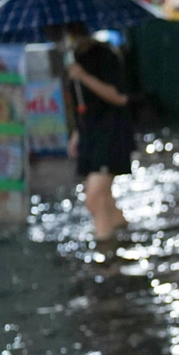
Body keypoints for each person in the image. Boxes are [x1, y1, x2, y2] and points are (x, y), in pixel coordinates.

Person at [61, 24, 133, 239]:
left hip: (110, 131)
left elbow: (119, 97)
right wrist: (77, 133)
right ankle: (124, 235)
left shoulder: (106, 54)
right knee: (105, 200)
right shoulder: (72, 59)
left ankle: (106, 254)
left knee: (94, 198)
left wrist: (83, 76)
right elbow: (81, 103)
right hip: (89, 134)